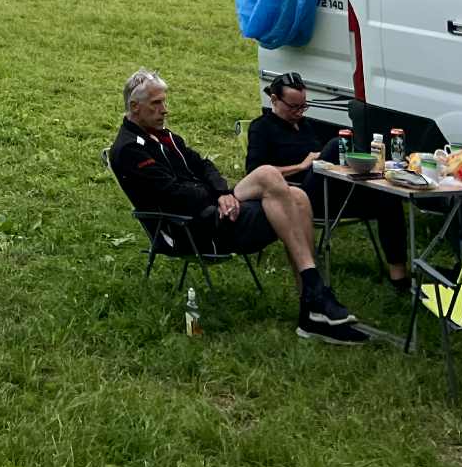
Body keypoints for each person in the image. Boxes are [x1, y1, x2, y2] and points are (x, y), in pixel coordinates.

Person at [109, 68, 365, 345]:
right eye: (156, 103)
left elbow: (204, 165)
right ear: (134, 107)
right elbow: (174, 194)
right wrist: (217, 196)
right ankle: (315, 299)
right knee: (273, 180)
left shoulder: (165, 136)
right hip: (193, 228)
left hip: (214, 209)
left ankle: (313, 304)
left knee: (298, 197)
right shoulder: (130, 149)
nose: (164, 110)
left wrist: (221, 192)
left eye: (164, 101)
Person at [246, 72, 409, 291]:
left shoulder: (304, 125)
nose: (298, 113)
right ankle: (375, 166)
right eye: (293, 107)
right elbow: (255, 174)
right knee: (335, 145)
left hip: (333, 188)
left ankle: (399, 276)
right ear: (274, 100)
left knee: (387, 195)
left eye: (303, 107)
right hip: (300, 196)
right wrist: (301, 166)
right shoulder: (262, 127)